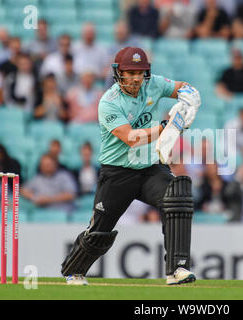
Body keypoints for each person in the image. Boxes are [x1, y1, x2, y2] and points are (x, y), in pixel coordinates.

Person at [60, 47, 201, 286]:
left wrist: (192, 98)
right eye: (130, 72)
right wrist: (165, 127)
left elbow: (182, 87)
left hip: (149, 169)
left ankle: (177, 269)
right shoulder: (108, 102)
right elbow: (131, 137)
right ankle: (74, 270)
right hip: (117, 172)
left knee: (177, 197)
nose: (136, 78)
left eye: (140, 72)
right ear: (119, 73)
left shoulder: (153, 84)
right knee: (99, 231)